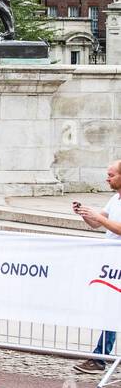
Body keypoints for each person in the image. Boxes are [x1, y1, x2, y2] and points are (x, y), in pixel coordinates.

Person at [74, 160, 121, 373]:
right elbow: (97, 222)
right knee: (111, 310)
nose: (107, 178)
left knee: (112, 309)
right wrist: (85, 214)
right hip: (112, 263)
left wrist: (99, 219)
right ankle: (100, 356)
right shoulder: (115, 199)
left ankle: (100, 356)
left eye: (111, 174)